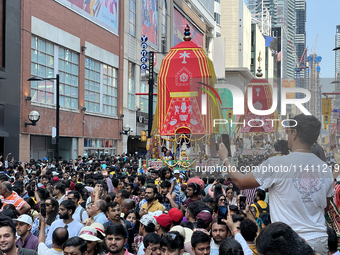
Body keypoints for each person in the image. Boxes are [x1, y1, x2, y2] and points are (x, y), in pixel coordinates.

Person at [219, 114, 333, 255]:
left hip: (286, 243)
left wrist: (225, 159)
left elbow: (241, 182)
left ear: (294, 133)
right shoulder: (325, 168)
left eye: (289, 130)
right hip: (318, 239)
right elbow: (325, 207)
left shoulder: (277, 164)